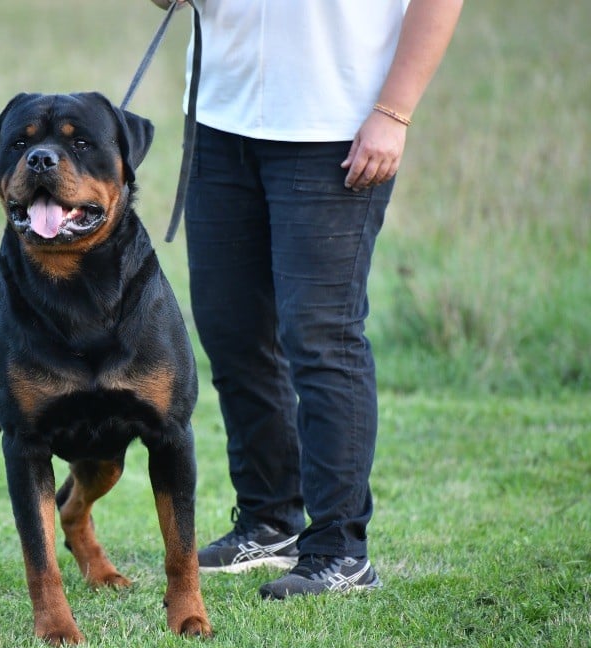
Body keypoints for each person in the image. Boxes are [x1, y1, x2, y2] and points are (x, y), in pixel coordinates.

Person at [146, 0, 463, 598]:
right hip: (219, 115)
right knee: (230, 330)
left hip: (335, 123)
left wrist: (394, 112)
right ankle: (269, 521)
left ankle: (340, 551)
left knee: (321, 336)